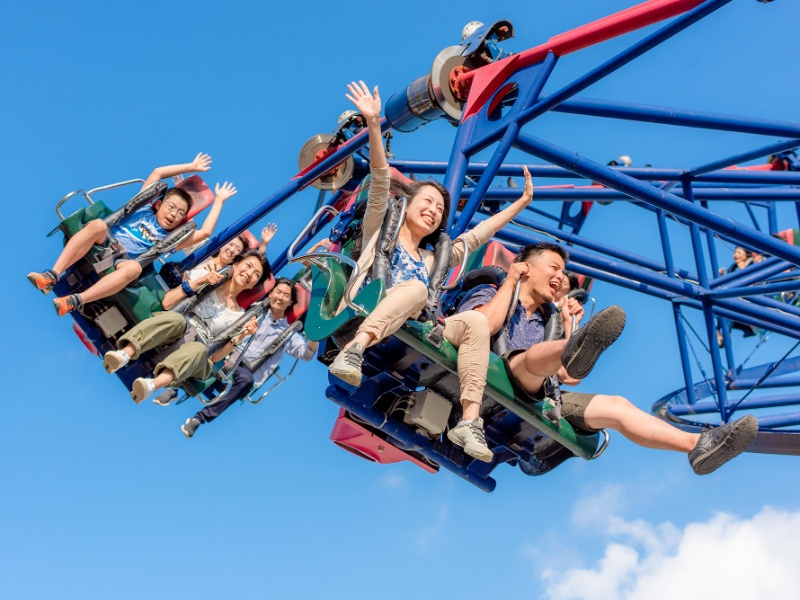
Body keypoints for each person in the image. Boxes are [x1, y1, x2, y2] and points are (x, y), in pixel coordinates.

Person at [327, 81, 536, 462]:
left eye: (440, 210)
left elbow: (477, 236)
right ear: (407, 206)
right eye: (427, 202)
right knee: (418, 291)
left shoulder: (432, 258)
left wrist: (520, 203)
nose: (434, 211)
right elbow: (379, 176)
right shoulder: (379, 226)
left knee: (472, 322)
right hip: (370, 302)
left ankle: (469, 421)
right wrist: (374, 123)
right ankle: (355, 350)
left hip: (417, 320)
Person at [458, 241, 758, 475]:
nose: (560, 278)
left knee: (617, 406)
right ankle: (573, 346)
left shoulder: (550, 320)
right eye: (554, 268)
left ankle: (697, 445)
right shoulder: (491, 289)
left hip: (539, 398)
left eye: (563, 272)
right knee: (531, 359)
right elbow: (481, 325)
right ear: (525, 268)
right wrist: (510, 281)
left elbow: (570, 378)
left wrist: (569, 325)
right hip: (485, 377)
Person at [27, 153, 238, 316]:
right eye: (171, 207)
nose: (173, 214)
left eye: (180, 213)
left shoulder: (169, 237)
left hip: (124, 260)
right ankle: (51, 275)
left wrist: (218, 201)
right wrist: (191, 167)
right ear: (158, 203)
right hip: (107, 242)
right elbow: (157, 173)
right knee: (98, 225)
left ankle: (75, 301)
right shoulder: (144, 207)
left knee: (134, 268)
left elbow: (205, 233)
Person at [101, 250, 270, 403]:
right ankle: (124, 354)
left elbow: (216, 357)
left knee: (198, 349)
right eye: (248, 266)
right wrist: (201, 281)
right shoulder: (208, 276)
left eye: (256, 274)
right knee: (177, 320)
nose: (249, 273)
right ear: (235, 265)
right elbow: (168, 302)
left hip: (201, 350)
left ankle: (151, 385)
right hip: (179, 327)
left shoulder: (240, 316)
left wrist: (241, 336)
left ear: (252, 285)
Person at [179, 277, 318, 439]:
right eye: (278, 292)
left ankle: (198, 419)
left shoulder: (289, 334)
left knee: (245, 380)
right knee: (212, 349)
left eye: (285, 295)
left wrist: (316, 332)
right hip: (228, 356)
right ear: (271, 293)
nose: (280, 297)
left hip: (246, 372)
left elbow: (307, 354)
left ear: (290, 302)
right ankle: (175, 382)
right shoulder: (254, 311)